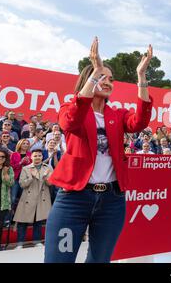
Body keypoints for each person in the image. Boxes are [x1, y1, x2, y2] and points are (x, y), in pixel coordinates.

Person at [44, 37, 153, 263]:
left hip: (112, 202)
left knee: (100, 260)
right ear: (89, 79)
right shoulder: (70, 108)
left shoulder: (118, 114)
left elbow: (140, 121)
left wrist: (141, 77)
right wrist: (95, 72)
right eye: (102, 77)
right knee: (59, 260)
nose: (108, 82)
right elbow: (70, 122)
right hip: (73, 199)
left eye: (110, 79)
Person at [13, 149, 52, 249]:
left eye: (39, 155)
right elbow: (22, 184)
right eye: (35, 156)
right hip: (28, 198)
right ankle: (20, 243)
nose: (37, 157)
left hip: (42, 197)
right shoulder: (26, 168)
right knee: (22, 221)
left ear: (42, 157)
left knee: (38, 221)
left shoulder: (48, 168)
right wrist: (30, 177)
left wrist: (45, 178)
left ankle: (37, 241)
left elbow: (51, 183)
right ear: (31, 157)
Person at [0, 148, 14, 251]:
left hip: (1, 201)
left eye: (2, 157)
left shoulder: (9, 169)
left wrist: (4, 174)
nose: (0, 158)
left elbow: (11, 183)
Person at [10, 139, 32, 208]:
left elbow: (32, 166)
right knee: (12, 199)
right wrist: (20, 163)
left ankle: (21, 216)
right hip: (16, 178)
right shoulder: (14, 154)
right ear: (20, 144)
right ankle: (10, 216)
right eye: (24, 143)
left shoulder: (30, 154)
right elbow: (11, 167)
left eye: (27, 144)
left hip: (26, 179)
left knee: (24, 199)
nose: (25, 145)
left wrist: (28, 163)